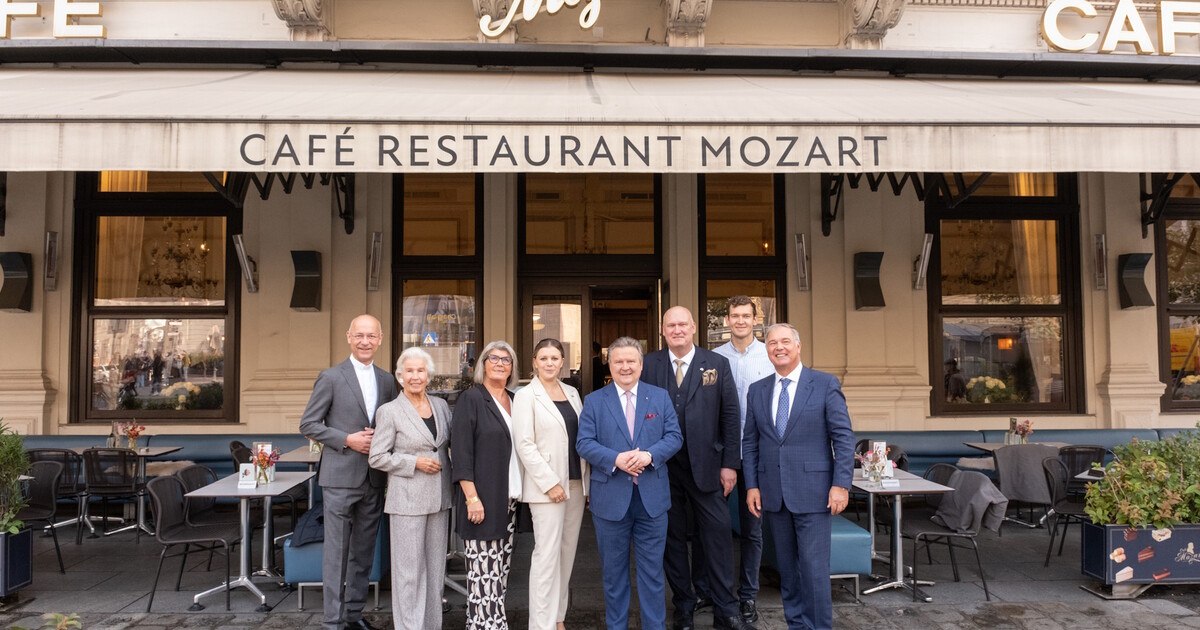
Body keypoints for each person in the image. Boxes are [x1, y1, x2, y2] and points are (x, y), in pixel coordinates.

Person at [642, 306, 750, 630]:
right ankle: (684, 606)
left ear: (693, 328)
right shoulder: (649, 364)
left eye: (682, 324)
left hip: (708, 467)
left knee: (717, 536)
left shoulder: (716, 363)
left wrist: (730, 464)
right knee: (672, 539)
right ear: (663, 330)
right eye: (670, 325)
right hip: (662, 469)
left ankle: (726, 609)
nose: (677, 330)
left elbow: (730, 416)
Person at [743, 324, 854, 630]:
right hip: (774, 495)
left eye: (785, 342)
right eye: (772, 343)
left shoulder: (824, 384)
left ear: (798, 346)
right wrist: (752, 485)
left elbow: (843, 438)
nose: (778, 347)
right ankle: (796, 625)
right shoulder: (757, 390)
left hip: (814, 494)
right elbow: (750, 442)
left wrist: (840, 484)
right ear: (767, 350)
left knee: (814, 571)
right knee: (788, 572)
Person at [576, 336, 683, 630]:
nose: (625, 367)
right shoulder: (594, 401)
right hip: (610, 500)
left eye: (631, 361)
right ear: (609, 364)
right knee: (614, 576)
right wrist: (616, 459)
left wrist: (649, 455)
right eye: (619, 361)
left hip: (652, 500)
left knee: (652, 574)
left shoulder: (659, 397)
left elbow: (674, 437)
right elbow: (584, 443)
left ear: (641, 364)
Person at [299, 314, 397, 630]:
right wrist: (347, 439)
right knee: (336, 553)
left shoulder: (387, 380)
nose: (365, 341)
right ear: (349, 337)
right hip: (340, 477)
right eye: (359, 335)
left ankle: (354, 615)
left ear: (380, 339)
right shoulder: (331, 377)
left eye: (371, 336)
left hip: (374, 477)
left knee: (363, 551)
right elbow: (308, 424)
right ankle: (332, 621)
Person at [368, 347, 452, 630]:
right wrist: (413, 462)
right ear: (400, 376)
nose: (415, 376)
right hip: (407, 501)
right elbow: (377, 457)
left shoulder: (441, 406)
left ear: (429, 375)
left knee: (435, 572)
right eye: (409, 371)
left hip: (440, 498)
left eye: (421, 371)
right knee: (409, 574)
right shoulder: (389, 411)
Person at [512, 338, 589, 630]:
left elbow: (581, 438)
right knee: (546, 557)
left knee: (566, 555)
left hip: (575, 483)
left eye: (554, 358)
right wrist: (549, 483)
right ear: (534, 361)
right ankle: (540, 624)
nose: (549, 363)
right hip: (547, 489)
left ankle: (558, 618)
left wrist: (587, 484)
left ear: (562, 362)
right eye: (543, 358)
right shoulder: (525, 396)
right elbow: (524, 444)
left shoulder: (572, 392)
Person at [711, 296, 776, 623]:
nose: (740, 321)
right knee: (715, 529)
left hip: (756, 454)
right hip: (720, 453)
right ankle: (715, 592)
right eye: (734, 315)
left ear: (755, 320)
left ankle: (748, 595)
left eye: (745, 316)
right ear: (727, 320)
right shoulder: (713, 359)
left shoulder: (770, 355)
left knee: (752, 529)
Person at [451, 340, 522, 629]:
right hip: (481, 499)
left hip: (509, 499)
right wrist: (472, 498)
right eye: (494, 358)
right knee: (483, 574)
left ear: (512, 368)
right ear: (483, 364)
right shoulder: (471, 399)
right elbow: (461, 453)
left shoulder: (516, 400)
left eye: (506, 360)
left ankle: (482, 624)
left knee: (499, 573)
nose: (500, 364)